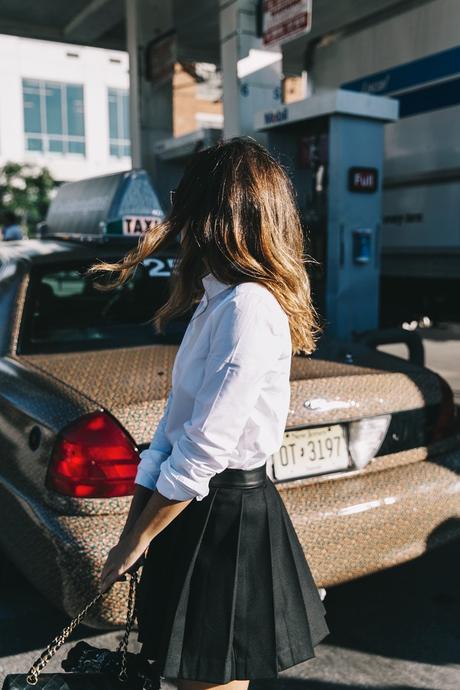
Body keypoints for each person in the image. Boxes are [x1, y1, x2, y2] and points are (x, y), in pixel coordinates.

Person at [89, 137, 330, 690]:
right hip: (190, 508)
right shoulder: (216, 299)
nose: (175, 211)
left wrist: (134, 542)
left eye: (184, 196)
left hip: (225, 517)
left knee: (209, 683)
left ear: (213, 211)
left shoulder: (248, 307)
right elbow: (173, 433)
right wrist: (134, 533)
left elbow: (202, 451)